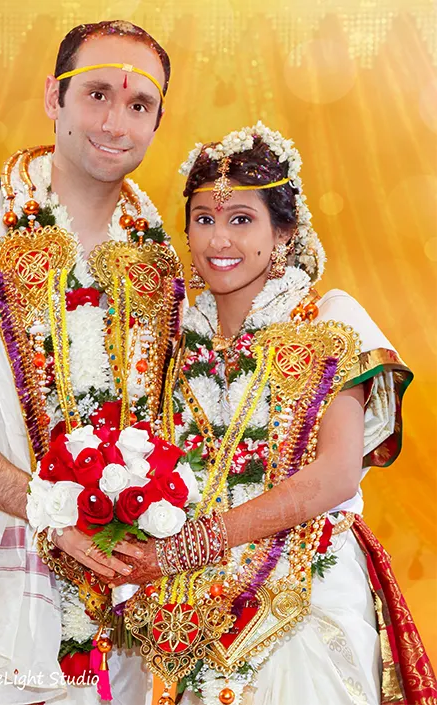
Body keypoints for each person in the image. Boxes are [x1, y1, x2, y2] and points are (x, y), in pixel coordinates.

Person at [0, 20, 181, 705]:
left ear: (158, 121)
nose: (116, 121)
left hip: (118, 594)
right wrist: (50, 513)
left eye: (139, 106)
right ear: (53, 97)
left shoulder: (164, 265)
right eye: (97, 94)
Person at [110, 122, 437, 704]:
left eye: (242, 220)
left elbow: (335, 475)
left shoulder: (327, 321)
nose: (219, 241)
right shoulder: (172, 332)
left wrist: (190, 547)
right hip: (193, 604)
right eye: (205, 220)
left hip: (306, 588)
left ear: (282, 232)